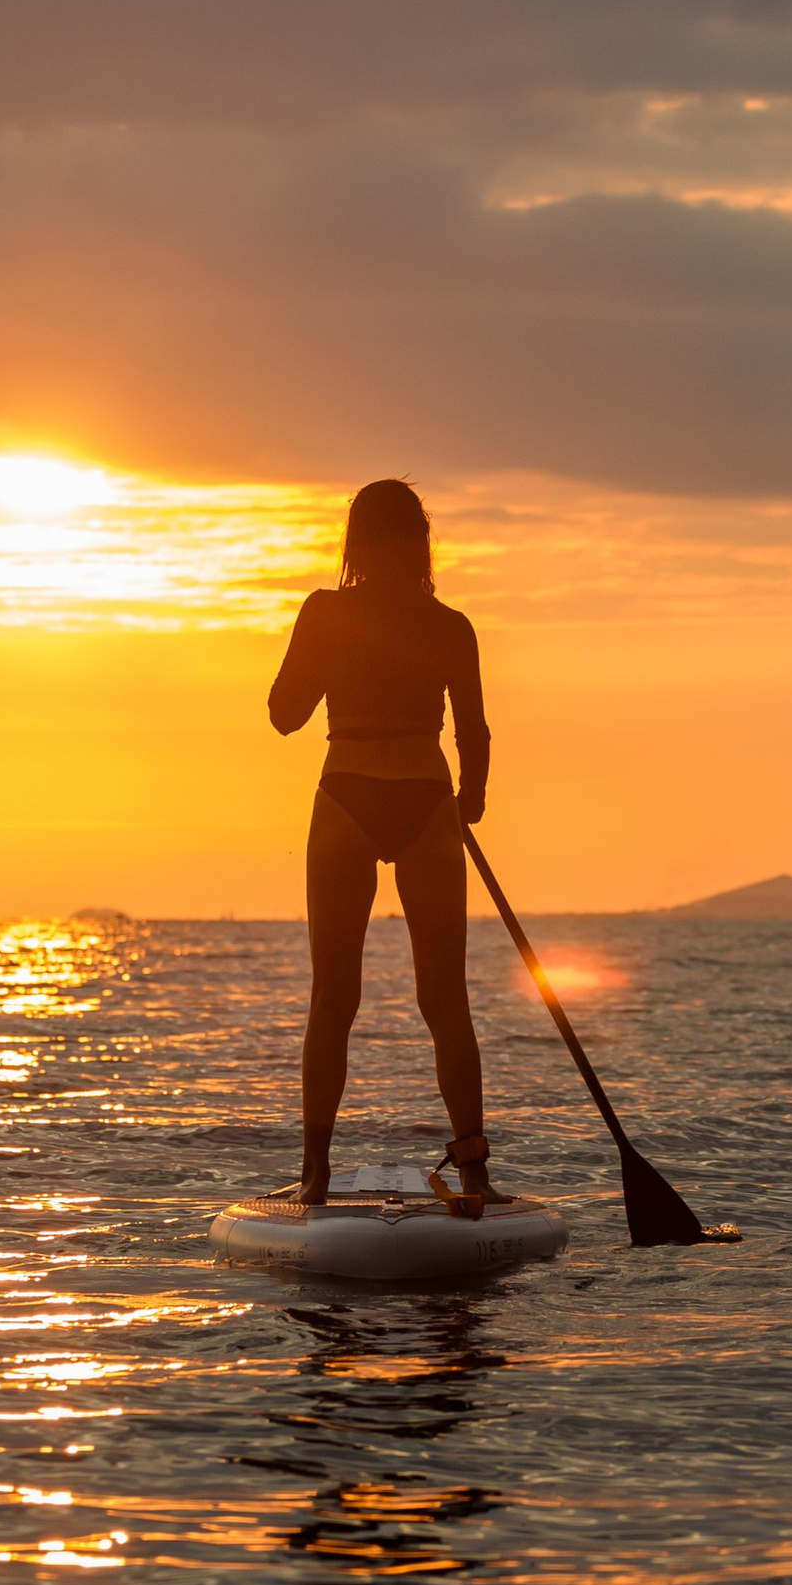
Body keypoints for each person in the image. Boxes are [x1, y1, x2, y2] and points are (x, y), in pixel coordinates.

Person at [266, 477, 499, 1212]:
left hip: (348, 794)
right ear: (420, 545)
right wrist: (469, 802)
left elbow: (283, 716)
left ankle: (315, 1174)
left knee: (333, 997)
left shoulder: (325, 612)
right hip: (428, 800)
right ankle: (474, 1174)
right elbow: (474, 736)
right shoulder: (450, 624)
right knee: (447, 1001)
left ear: (355, 543)